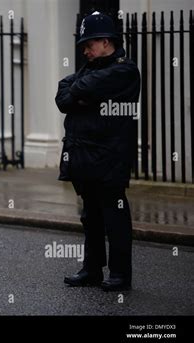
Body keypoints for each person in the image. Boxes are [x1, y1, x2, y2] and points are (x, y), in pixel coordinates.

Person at [55, 11, 141, 291]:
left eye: (89, 44)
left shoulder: (125, 71)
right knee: (90, 216)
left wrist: (80, 92)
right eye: (83, 44)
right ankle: (91, 269)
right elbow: (63, 95)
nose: (85, 50)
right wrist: (81, 95)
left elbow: (81, 87)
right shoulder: (90, 70)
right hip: (83, 157)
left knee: (114, 217)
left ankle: (120, 274)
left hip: (110, 159)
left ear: (106, 42)